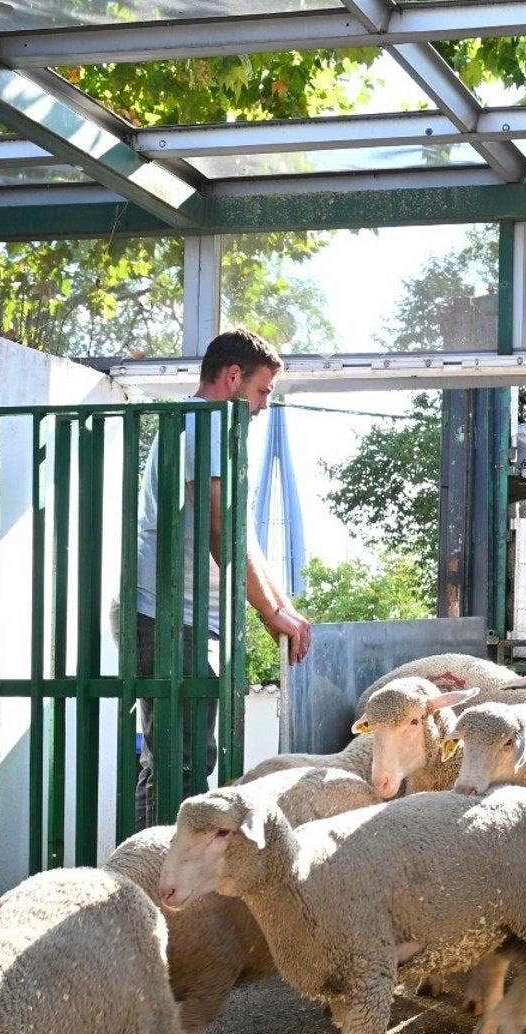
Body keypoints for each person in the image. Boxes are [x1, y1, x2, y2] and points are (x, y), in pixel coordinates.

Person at [128, 329, 312, 822]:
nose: (263, 406)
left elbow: (242, 534)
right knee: (178, 764)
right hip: (164, 618)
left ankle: (157, 882)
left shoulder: (213, 428)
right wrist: (271, 612)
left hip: (182, 620)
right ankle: (154, 884)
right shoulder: (203, 423)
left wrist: (283, 610)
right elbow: (219, 533)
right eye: (262, 392)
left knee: (182, 761)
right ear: (233, 377)